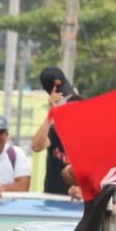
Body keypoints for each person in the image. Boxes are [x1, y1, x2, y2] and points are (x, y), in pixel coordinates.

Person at [31, 66, 83, 200]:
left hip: (81, 201)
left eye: (71, 97)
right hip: (53, 201)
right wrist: (51, 114)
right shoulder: (54, 129)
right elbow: (37, 146)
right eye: (63, 100)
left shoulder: (90, 128)